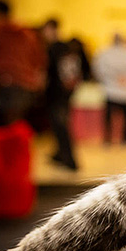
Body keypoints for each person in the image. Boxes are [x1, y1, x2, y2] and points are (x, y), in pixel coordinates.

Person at [0, 0, 46, 126]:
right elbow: (39, 60)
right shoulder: (27, 32)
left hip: (4, 82)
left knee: (4, 125)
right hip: (27, 85)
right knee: (16, 123)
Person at [43, 19, 88, 170]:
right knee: (60, 124)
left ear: (50, 29)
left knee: (60, 125)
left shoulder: (54, 48)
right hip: (66, 92)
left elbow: (49, 72)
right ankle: (60, 155)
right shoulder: (67, 48)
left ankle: (70, 161)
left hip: (56, 93)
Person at [93, 33, 126, 144]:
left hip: (111, 89)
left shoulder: (104, 53)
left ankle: (108, 139)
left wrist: (112, 80)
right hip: (124, 88)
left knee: (111, 116)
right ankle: (125, 139)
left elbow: (99, 70)